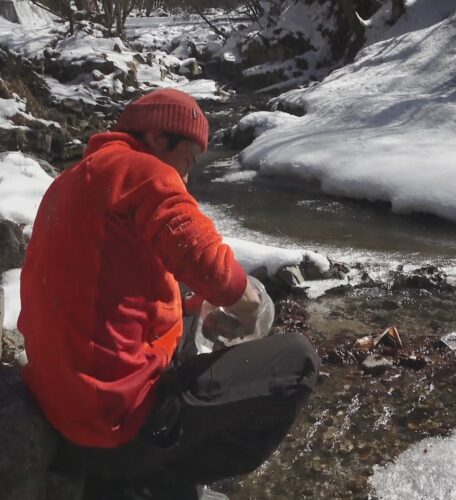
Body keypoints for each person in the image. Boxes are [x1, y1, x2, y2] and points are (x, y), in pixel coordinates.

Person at [18, 89, 320, 499]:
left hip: (61, 414)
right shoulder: (143, 171)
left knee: (193, 324)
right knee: (297, 360)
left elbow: (109, 285)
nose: (187, 178)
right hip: (119, 429)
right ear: (159, 139)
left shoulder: (72, 180)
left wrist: (189, 307)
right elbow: (211, 265)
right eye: (189, 162)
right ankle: (165, 474)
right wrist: (255, 306)